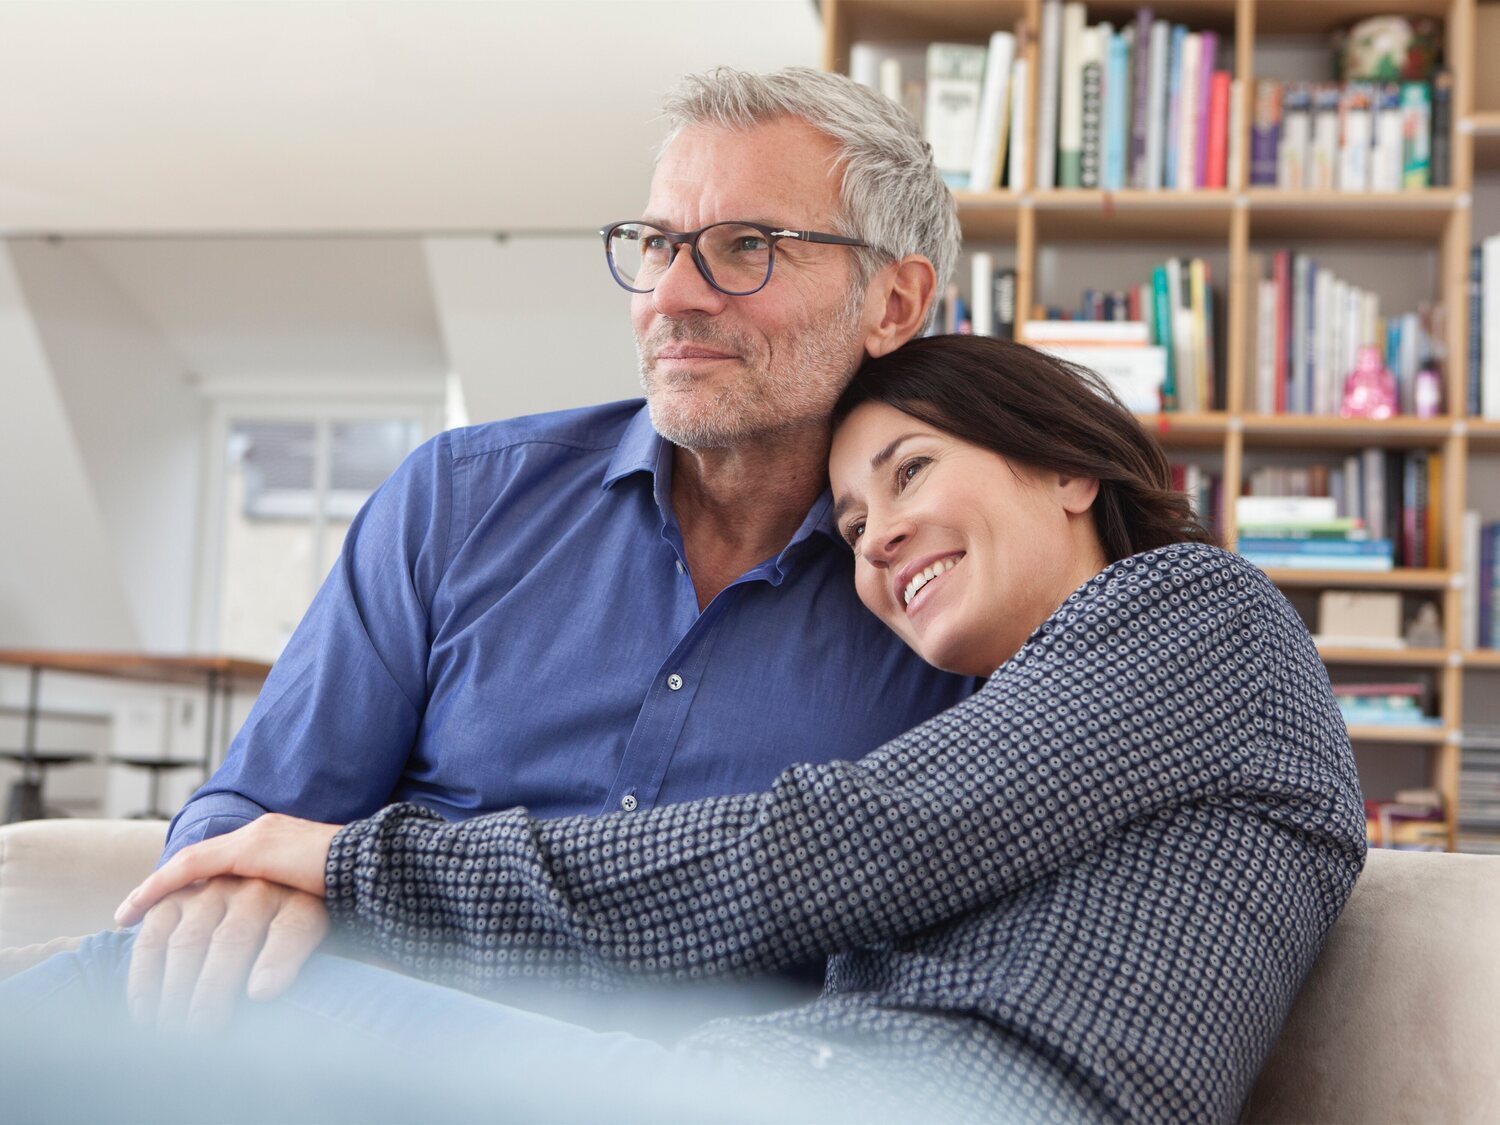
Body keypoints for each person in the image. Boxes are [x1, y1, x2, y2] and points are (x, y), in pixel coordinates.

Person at [98, 335, 1368, 1123]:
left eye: (912, 472)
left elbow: (817, 852)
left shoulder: (1196, 613)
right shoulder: (1053, 700)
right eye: (856, 527)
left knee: (124, 1007)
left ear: (1069, 467)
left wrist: (345, 864)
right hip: (805, 1084)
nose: (879, 542)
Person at [96, 65, 977, 1029]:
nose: (672, 293)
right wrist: (238, 887)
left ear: (894, 303)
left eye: (748, 247)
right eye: (655, 243)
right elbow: (252, 811)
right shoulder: (456, 500)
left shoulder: (952, 601)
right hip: (362, 1041)